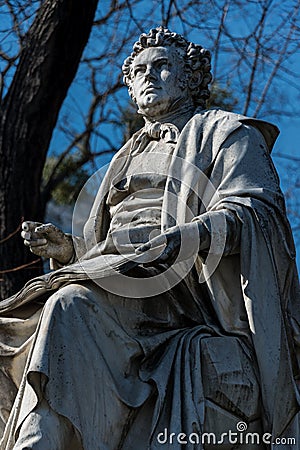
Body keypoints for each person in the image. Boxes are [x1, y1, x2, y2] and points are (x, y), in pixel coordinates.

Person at [0, 26, 299, 449]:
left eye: (162, 66)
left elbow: (256, 210)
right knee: (7, 334)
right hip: (114, 273)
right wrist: (69, 251)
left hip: (184, 286)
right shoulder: (123, 158)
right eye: (138, 70)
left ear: (191, 79)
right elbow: (107, 243)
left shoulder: (227, 132)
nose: (148, 77)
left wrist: (188, 236)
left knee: (67, 307)